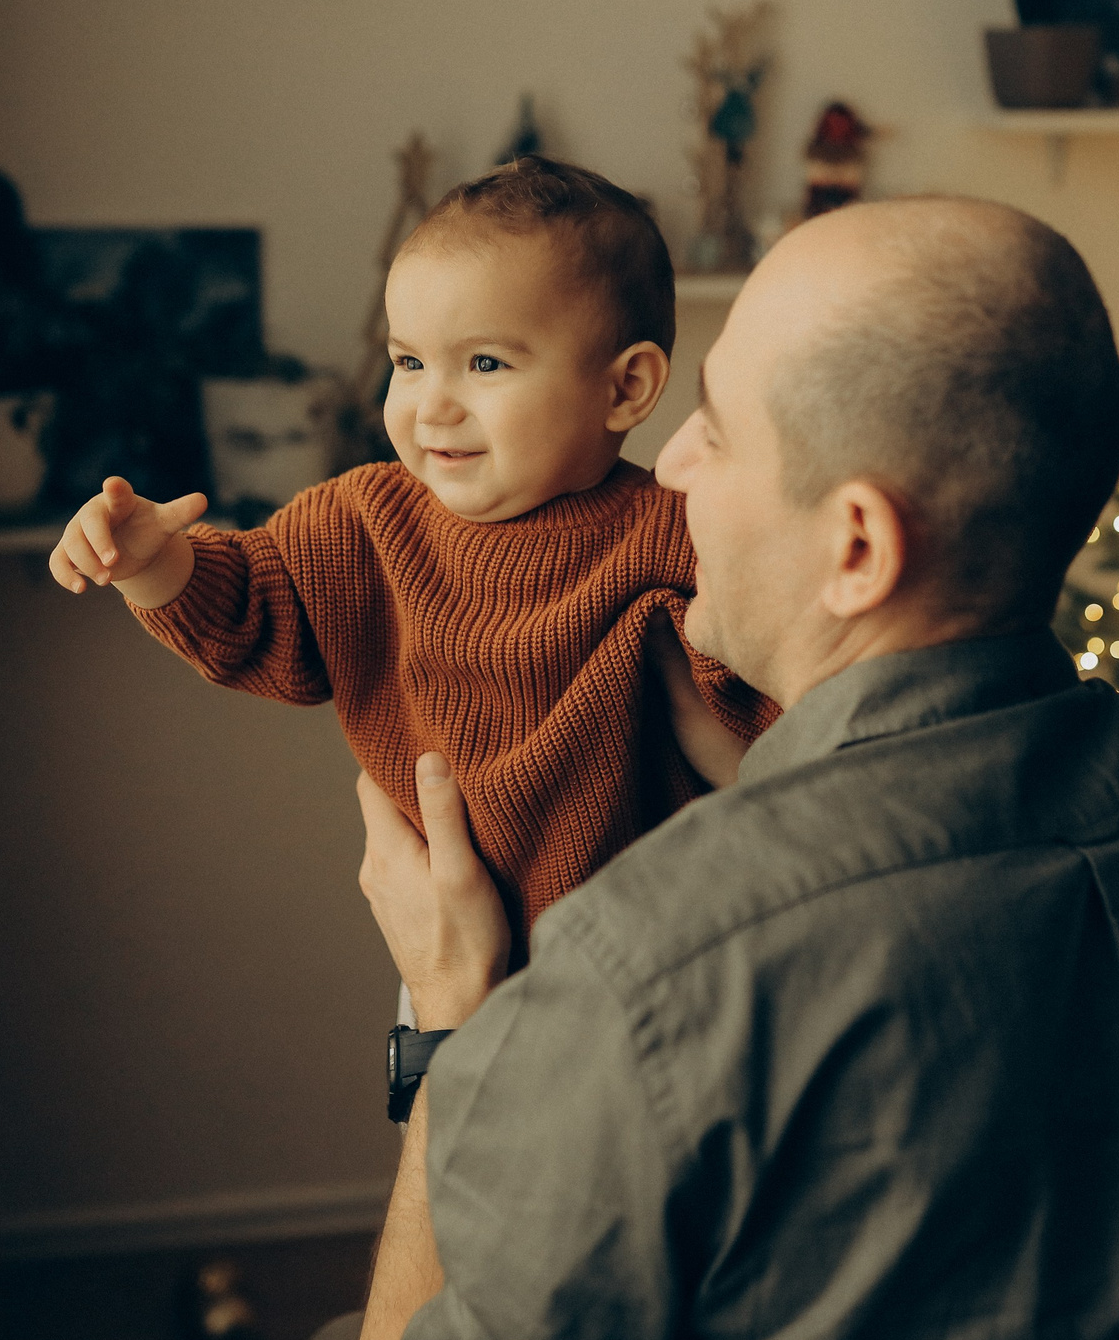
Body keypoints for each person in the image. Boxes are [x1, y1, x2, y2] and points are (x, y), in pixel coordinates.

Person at [344, 197, 1119, 1340]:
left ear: (856, 547)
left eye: (713, 429)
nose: (666, 466)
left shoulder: (651, 964)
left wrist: (450, 1017)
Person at [47, 157, 775, 943]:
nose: (432, 404)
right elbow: (253, 614)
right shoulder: (365, 520)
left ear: (626, 388)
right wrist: (154, 564)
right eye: (409, 362)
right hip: (442, 935)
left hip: (655, 950)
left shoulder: (678, 535)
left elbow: (778, 730)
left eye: (486, 363)